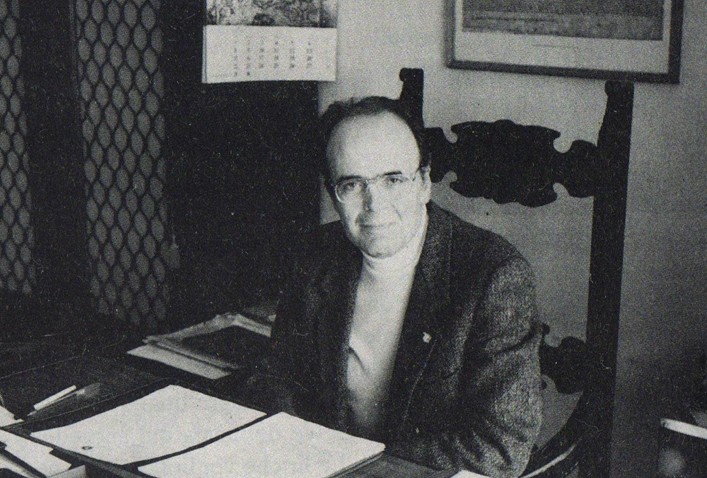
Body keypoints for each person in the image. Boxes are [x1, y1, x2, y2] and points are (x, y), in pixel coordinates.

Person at [258, 96, 542, 478]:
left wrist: (354, 467)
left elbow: (499, 448)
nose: (374, 204)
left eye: (393, 180)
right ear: (332, 193)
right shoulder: (315, 255)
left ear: (424, 182)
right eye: (352, 184)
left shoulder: (493, 276)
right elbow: (279, 379)